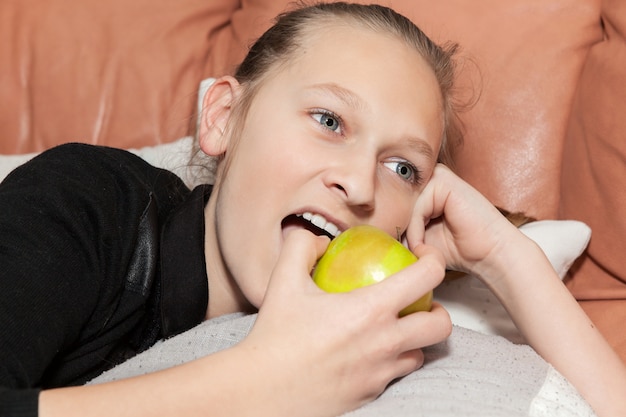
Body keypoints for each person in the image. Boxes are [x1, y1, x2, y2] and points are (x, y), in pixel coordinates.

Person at [1, 2, 625, 416]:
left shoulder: (368, 338)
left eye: (402, 167)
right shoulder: (90, 199)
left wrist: (509, 258)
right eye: (328, 120)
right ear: (221, 118)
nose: (359, 184)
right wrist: (258, 385)